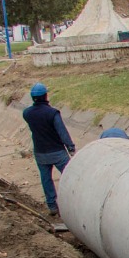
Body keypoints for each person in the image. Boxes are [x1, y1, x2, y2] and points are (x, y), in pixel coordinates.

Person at [22, 82, 77, 216]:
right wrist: (71, 147)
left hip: (40, 153)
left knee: (46, 179)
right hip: (57, 152)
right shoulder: (52, 113)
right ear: (45, 96)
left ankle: (52, 206)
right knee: (71, 176)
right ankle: (75, 202)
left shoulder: (27, 113)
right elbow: (62, 132)